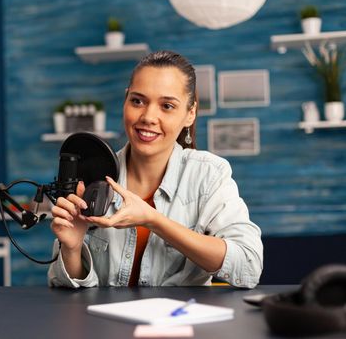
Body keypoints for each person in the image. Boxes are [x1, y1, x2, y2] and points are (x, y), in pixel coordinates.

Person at [48, 50, 263, 288]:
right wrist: (72, 248)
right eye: (137, 101)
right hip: (105, 323)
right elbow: (67, 292)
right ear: (125, 100)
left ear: (190, 113)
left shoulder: (209, 174)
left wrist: (154, 220)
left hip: (181, 323)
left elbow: (248, 266)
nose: (148, 116)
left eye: (167, 106)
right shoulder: (91, 175)